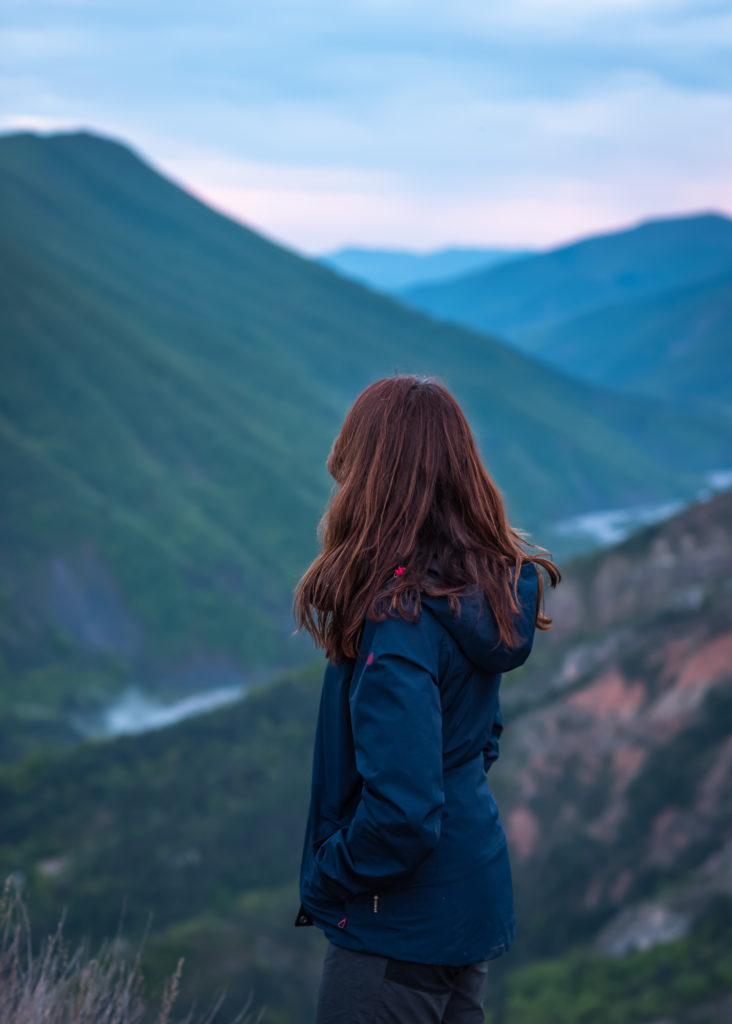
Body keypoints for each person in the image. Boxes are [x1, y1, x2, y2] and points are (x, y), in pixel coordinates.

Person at [292, 374, 561, 1023]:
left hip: (397, 929)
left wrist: (326, 874)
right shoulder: (477, 593)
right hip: (467, 901)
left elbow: (404, 814)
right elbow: (480, 737)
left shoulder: (400, 620)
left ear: (371, 478)